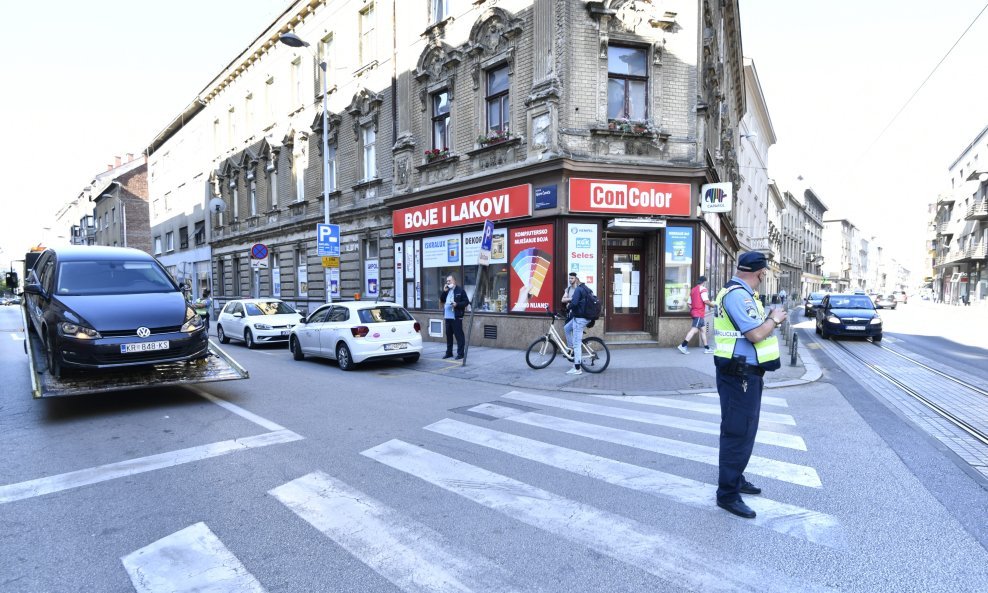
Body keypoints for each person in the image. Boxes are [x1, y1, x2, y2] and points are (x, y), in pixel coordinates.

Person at [712, 251, 786, 519]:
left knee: (742, 430)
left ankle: (736, 477)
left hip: (741, 371)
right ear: (761, 273)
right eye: (765, 272)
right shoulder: (738, 296)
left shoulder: (739, 293)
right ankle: (727, 494)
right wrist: (774, 319)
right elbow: (755, 334)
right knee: (737, 432)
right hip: (739, 373)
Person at [678, 275, 714, 354]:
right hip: (699, 313)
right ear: (704, 282)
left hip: (696, 313)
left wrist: (693, 309)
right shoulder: (703, 289)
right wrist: (714, 306)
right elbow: (706, 301)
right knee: (694, 330)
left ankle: (707, 348)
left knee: (703, 330)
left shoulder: (693, 290)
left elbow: (689, 303)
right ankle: (683, 345)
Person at [563, 272, 590, 376]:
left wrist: (568, 307)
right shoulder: (585, 288)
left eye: (573, 278)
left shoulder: (578, 289)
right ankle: (571, 348)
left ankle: (577, 368)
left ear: (577, 279)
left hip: (580, 318)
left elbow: (574, 303)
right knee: (567, 328)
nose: (571, 280)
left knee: (577, 344)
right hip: (581, 317)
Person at [440, 274, 469, 360]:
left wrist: (457, 304)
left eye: (449, 281)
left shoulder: (460, 290)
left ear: (454, 281)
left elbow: (466, 302)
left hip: (456, 317)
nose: (448, 282)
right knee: (449, 336)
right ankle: (449, 353)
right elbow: (442, 300)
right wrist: (444, 291)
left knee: (459, 336)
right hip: (447, 317)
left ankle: (460, 353)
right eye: (447, 281)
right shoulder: (447, 290)